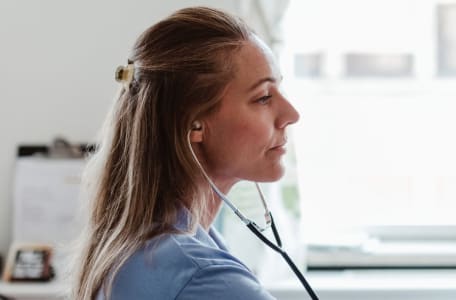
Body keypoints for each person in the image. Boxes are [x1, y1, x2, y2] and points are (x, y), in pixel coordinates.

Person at [72, 7, 297, 299]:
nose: (291, 114)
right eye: (263, 97)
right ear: (193, 123)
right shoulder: (203, 278)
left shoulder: (144, 245)